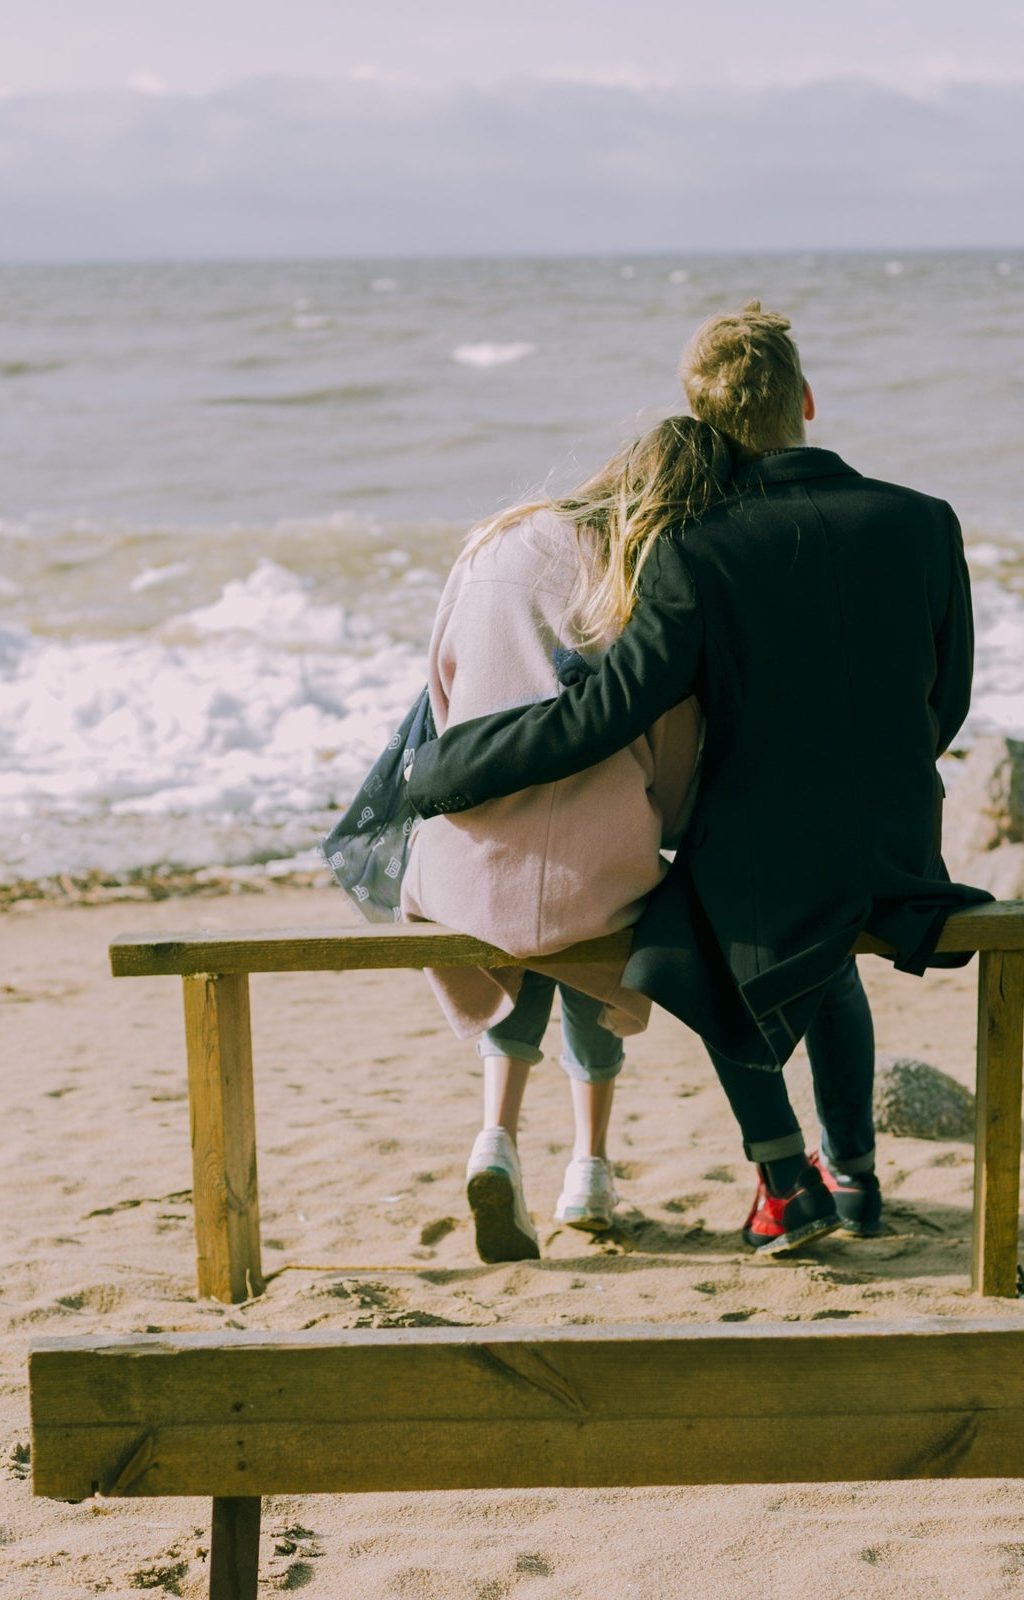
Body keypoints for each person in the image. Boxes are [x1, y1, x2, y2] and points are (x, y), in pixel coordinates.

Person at [407, 302, 990, 1257]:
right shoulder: (925, 521)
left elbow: (603, 716)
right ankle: (856, 1176)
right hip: (899, 847)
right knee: (830, 947)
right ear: (805, 398)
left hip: (763, 867)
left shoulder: (695, 549)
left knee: (688, 937)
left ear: (701, 417)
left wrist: (447, 771)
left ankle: (781, 1181)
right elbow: (948, 699)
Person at [401, 415, 728, 1263]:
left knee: (517, 917)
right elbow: (671, 753)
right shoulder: (640, 579)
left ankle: (495, 1140)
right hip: (590, 875)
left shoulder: (496, 542)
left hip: (465, 861)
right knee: (593, 911)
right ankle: (588, 1164)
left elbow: (440, 685)